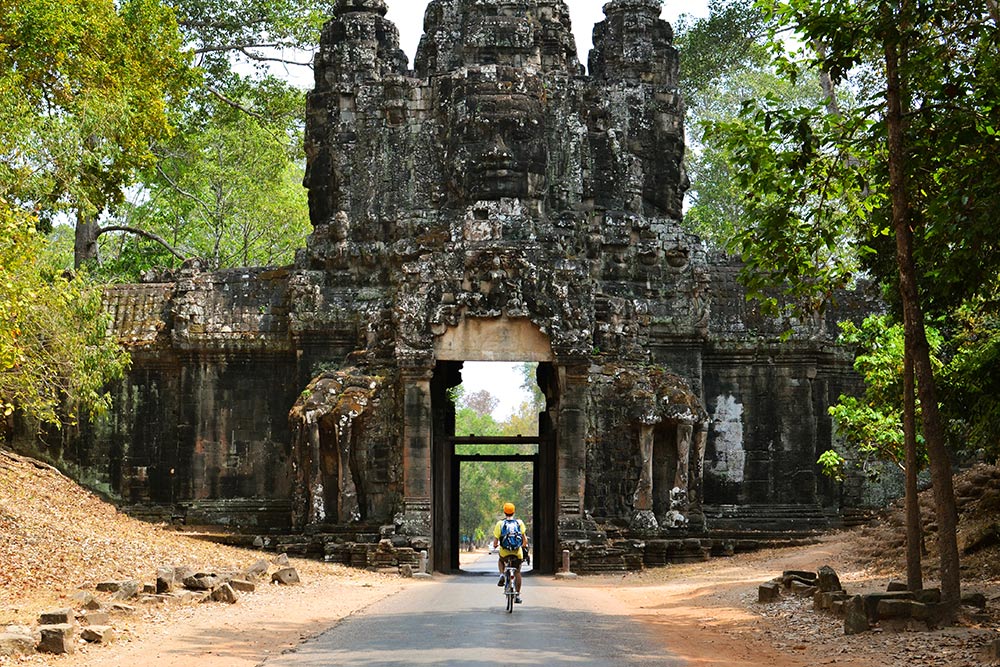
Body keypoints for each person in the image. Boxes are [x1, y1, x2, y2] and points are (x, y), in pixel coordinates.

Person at [492, 501, 528, 604]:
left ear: (504, 512)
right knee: (517, 572)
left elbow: (495, 542)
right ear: (514, 512)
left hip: (504, 553)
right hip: (517, 553)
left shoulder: (500, 524)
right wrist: (523, 545)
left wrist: (495, 545)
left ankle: (502, 574)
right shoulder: (519, 523)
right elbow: (524, 541)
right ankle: (517, 595)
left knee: (500, 560)